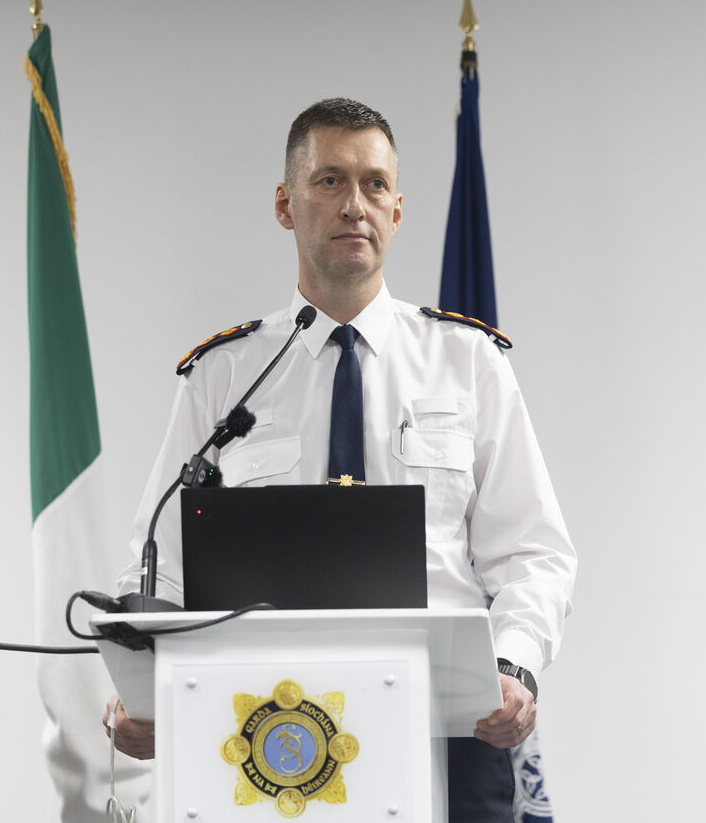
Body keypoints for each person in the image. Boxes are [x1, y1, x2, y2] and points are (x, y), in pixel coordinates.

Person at [104, 98, 576, 822]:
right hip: (265, 734)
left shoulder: (468, 361)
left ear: (396, 210)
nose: (355, 204)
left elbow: (534, 549)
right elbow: (160, 559)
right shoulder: (225, 376)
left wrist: (513, 665)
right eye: (329, 180)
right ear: (285, 203)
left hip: (448, 728)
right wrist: (143, 689)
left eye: (374, 184)